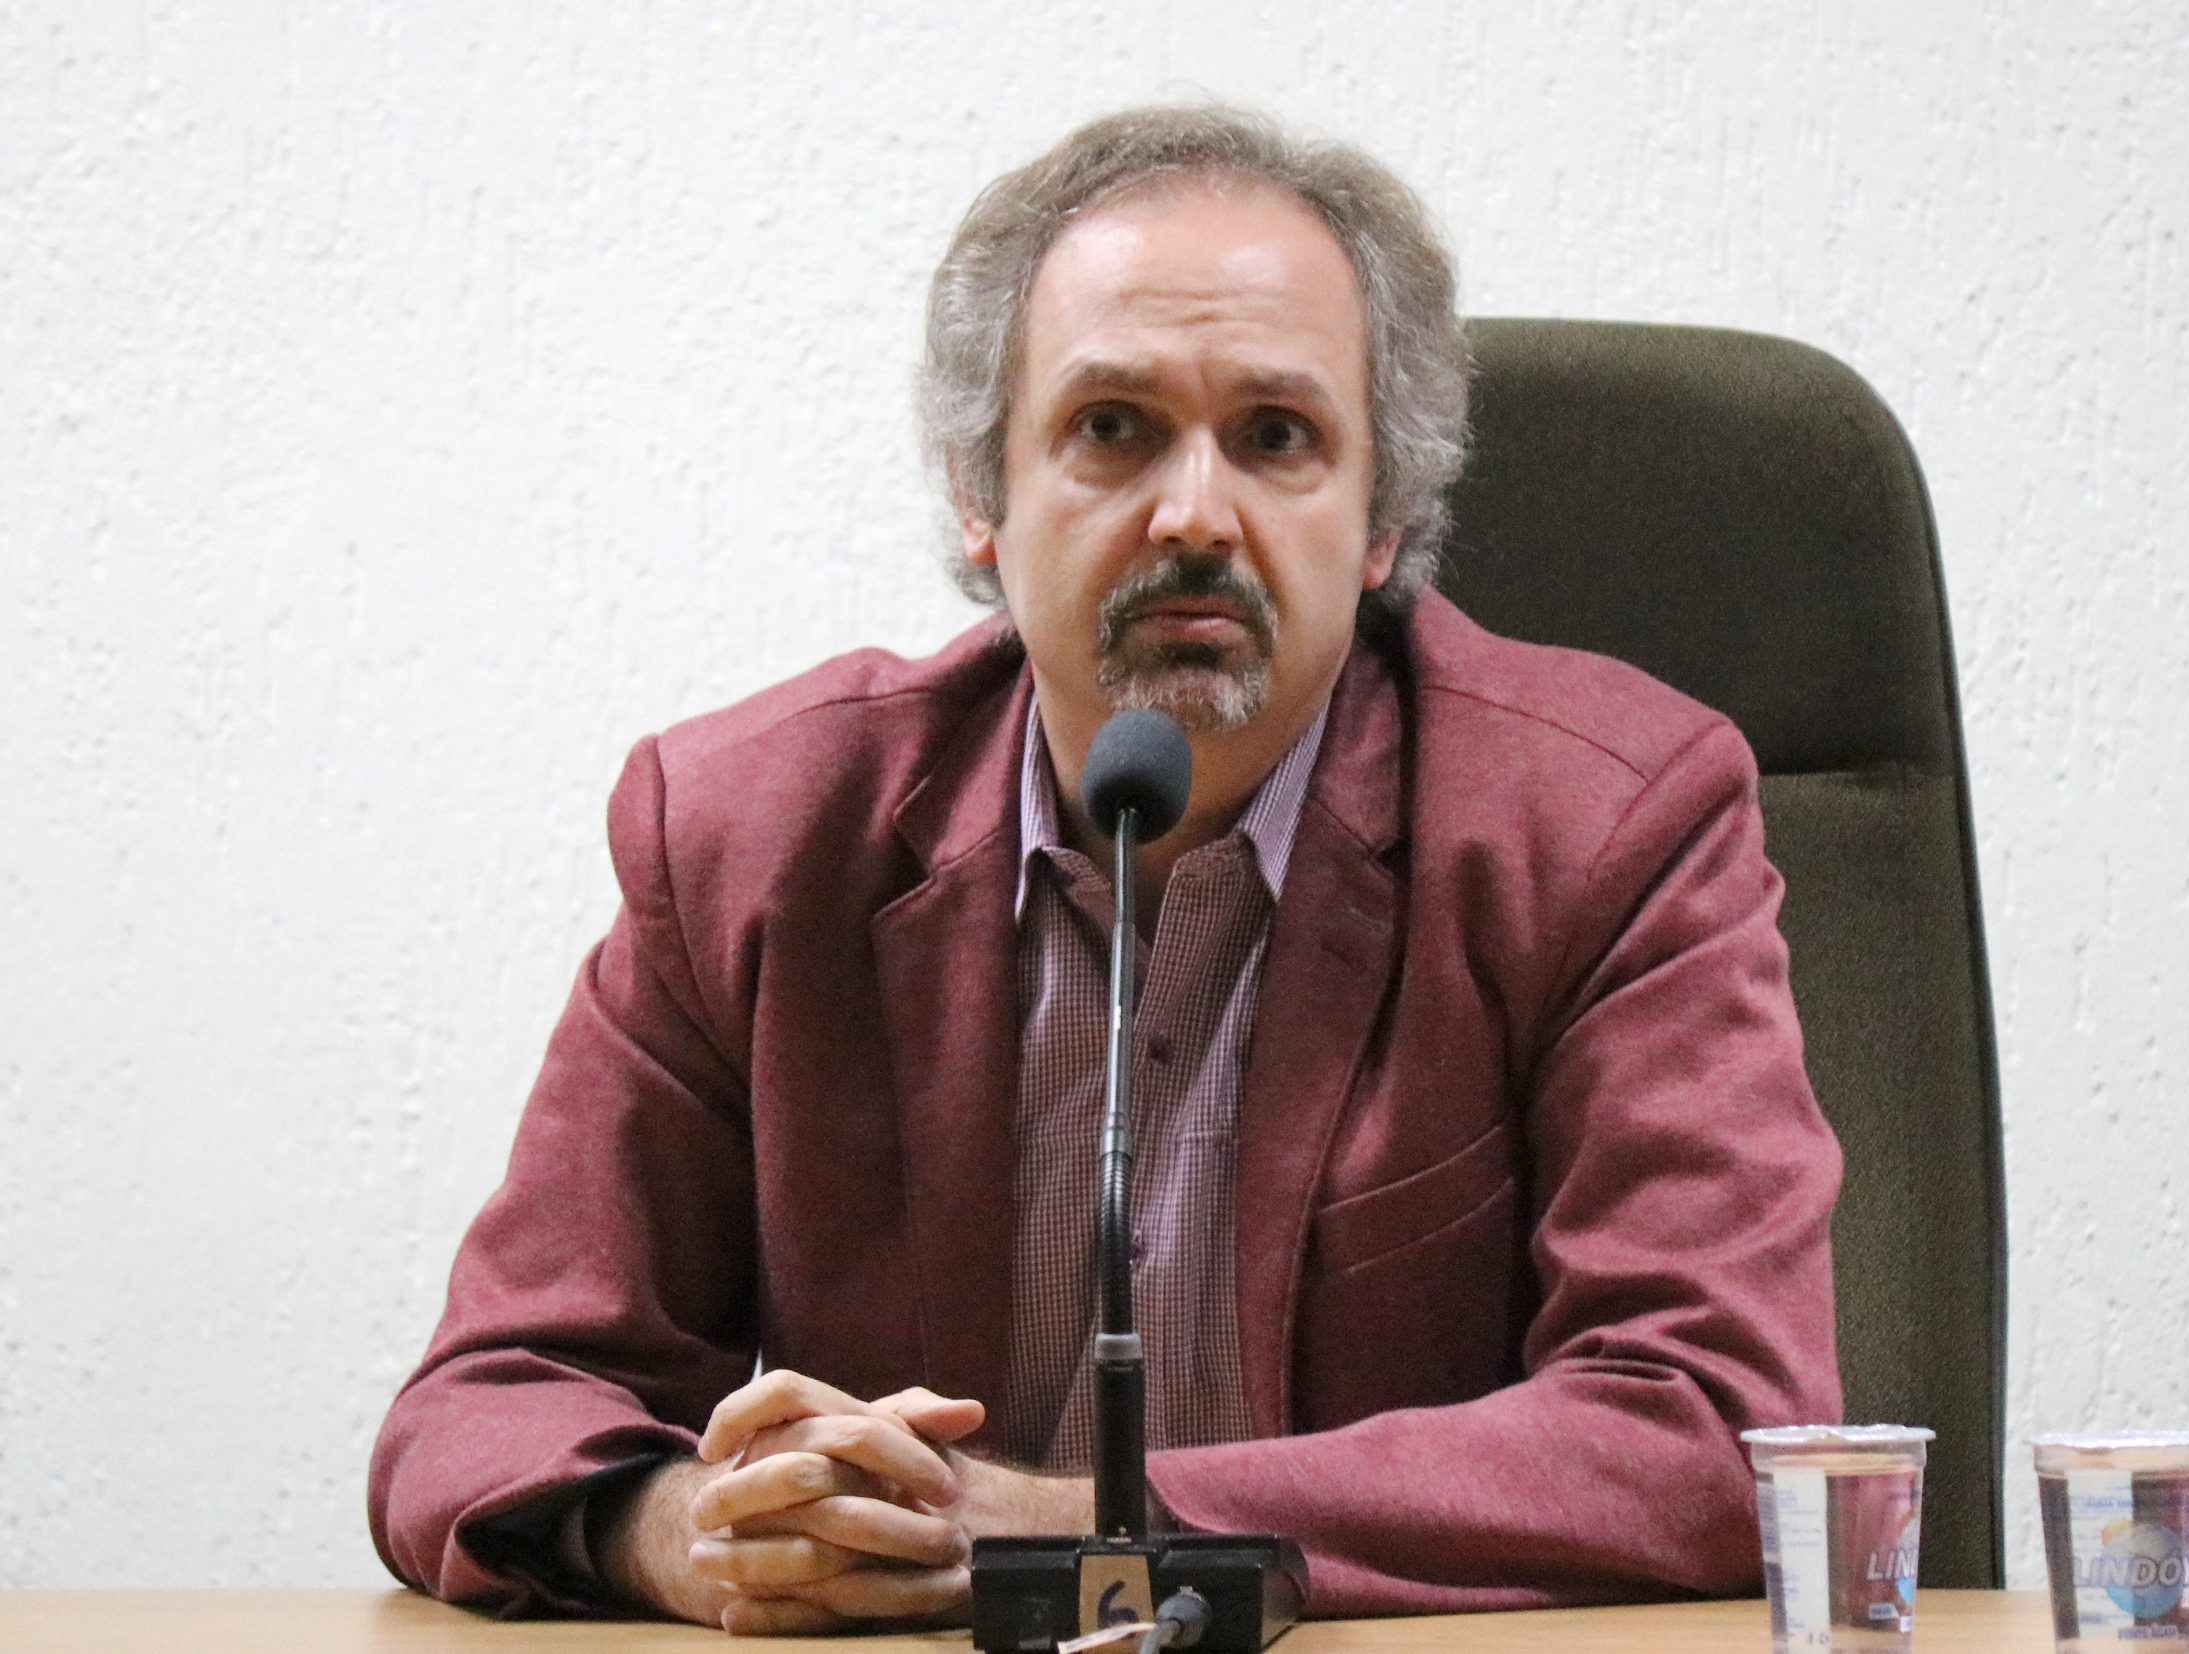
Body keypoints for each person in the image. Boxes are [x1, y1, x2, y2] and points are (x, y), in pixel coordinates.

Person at [368, 103, 1843, 1636]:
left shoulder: (1605, 825)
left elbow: (1721, 1416)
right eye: (1113, 428)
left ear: (1382, 519)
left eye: (1276, 437)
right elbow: (488, 1401)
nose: (1195, 513)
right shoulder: (756, 837)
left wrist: (1079, 1528)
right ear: (982, 497)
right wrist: (684, 1528)